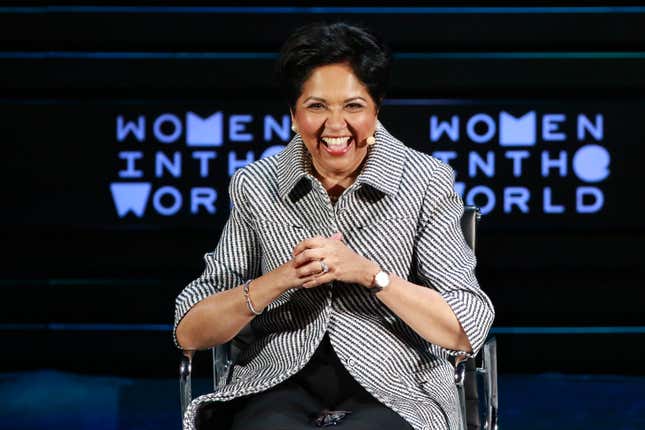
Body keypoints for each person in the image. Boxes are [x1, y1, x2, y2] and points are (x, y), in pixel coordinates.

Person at [174, 22, 494, 430]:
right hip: (277, 379)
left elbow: (466, 328)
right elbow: (190, 331)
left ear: (376, 110)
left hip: (396, 380)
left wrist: (369, 275)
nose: (335, 125)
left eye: (354, 106)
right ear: (293, 115)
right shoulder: (256, 184)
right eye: (317, 106)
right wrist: (283, 278)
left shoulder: (424, 179)